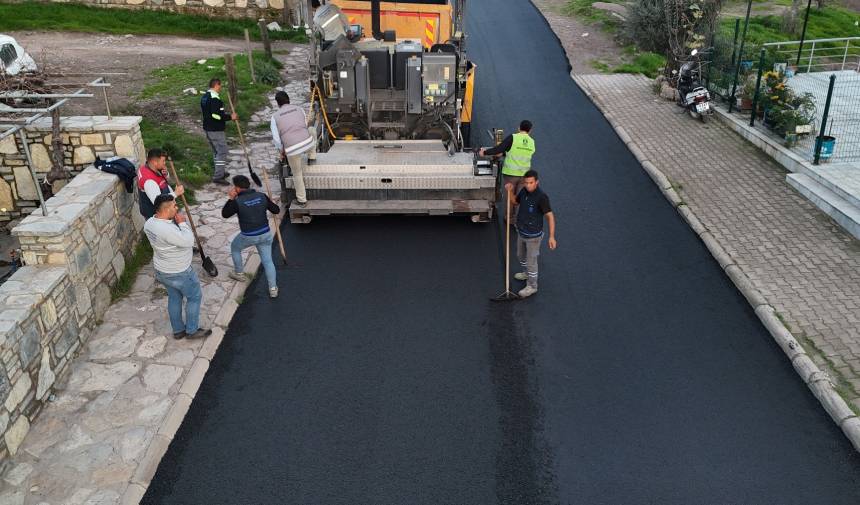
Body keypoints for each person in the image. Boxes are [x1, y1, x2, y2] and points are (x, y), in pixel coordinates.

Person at [144, 194, 211, 340]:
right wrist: (182, 223)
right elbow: (188, 241)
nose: (177, 208)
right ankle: (192, 331)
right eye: (174, 206)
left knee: (174, 297)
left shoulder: (149, 223)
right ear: (167, 209)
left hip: (162, 270)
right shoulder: (167, 230)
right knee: (194, 297)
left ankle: (178, 330)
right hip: (180, 272)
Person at [222, 175, 281, 298]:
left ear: (237, 188)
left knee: (235, 248)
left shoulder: (237, 201)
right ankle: (273, 288)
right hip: (265, 234)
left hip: (248, 235)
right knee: (267, 261)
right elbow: (276, 210)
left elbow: (225, 214)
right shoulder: (261, 196)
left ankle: (239, 273)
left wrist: (231, 199)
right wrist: (269, 201)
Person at [505, 169, 556, 298]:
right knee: (520, 256)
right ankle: (526, 272)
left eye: (531, 183)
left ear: (536, 182)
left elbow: (550, 216)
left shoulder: (541, 197)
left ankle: (532, 286)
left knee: (531, 261)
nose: (528, 185)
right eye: (526, 182)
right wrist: (510, 191)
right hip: (521, 232)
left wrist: (551, 236)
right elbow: (515, 202)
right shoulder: (524, 191)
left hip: (533, 237)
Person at [479, 120, 535, 225]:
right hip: (524, 176)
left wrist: (485, 152)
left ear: (519, 128)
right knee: (519, 198)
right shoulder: (532, 142)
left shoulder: (513, 137)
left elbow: (499, 149)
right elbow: (520, 153)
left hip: (511, 174)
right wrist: (505, 153)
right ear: (530, 130)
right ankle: (516, 219)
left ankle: (509, 219)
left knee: (510, 197)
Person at [271, 90, 315, 208]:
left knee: (297, 173)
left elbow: (276, 139)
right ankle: (312, 157)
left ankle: (302, 200)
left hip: (292, 149)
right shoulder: (299, 109)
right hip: (307, 143)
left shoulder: (274, 117)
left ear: (278, 103)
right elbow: (305, 125)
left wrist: (282, 151)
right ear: (288, 99)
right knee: (312, 130)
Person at [201, 78, 238, 185]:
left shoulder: (205, 96)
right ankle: (218, 176)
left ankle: (220, 171)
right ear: (216, 85)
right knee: (222, 151)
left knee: (216, 152)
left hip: (208, 128)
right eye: (220, 86)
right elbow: (216, 115)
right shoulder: (214, 99)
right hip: (215, 130)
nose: (220, 88)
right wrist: (230, 117)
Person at [137, 148, 183, 220]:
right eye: (163, 161)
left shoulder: (150, 167)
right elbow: (159, 202)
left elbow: (162, 180)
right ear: (155, 162)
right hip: (158, 216)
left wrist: (166, 173)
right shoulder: (149, 182)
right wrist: (176, 193)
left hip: (166, 206)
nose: (164, 163)